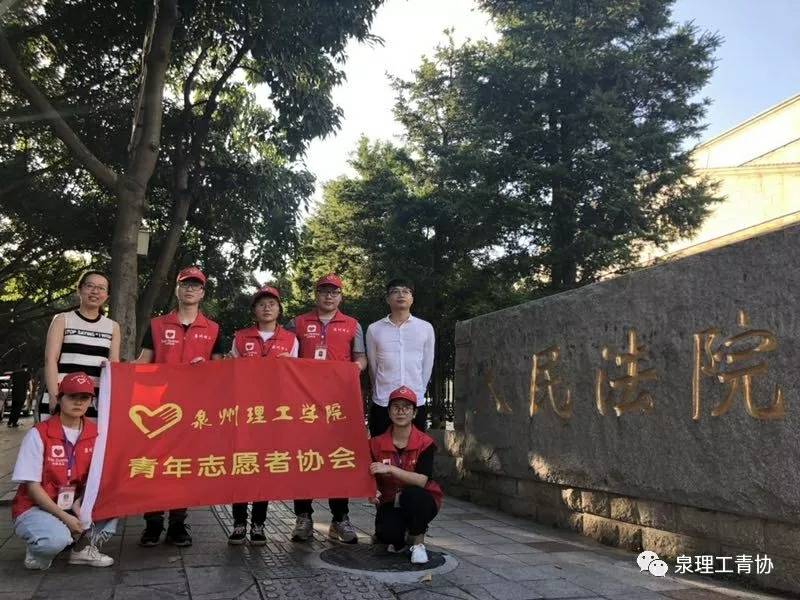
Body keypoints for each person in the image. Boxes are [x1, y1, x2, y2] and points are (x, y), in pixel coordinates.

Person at [136, 266, 224, 547]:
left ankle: (177, 524)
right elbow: (143, 362)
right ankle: (152, 524)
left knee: (183, 467)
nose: (190, 289)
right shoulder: (157, 325)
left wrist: (206, 368)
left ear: (203, 293)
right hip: (158, 409)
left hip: (194, 411)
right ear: (177, 289)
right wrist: (114, 371)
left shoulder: (213, 329)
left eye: (195, 285)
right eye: (185, 284)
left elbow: (221, 370)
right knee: (155, 465)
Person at [286, 273, 367, 544]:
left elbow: (361, 358)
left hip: (338, 404)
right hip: (303, 404)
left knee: (338, 458)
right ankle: (303, 517)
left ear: (341, 296)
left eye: (334, 292)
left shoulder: (353, 325)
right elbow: (285, 357)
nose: (329, 296)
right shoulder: (297, 323)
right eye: (324, 291)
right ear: (316, 295)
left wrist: (354, 369)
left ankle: (340, 518)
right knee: (304, 459)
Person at [11, 372, 117, 570]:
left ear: (91, 401)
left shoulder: (96, 434)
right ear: (59, 398)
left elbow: (99, 479)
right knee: (54, 541)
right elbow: (32, 488)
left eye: (84, 397)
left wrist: (80, 501)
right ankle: (37, 548)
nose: (78, 402)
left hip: (73, 504)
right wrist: (65, 517)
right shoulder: (39, 433)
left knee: (114, 498)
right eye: (72, 396)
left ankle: (81, 550)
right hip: (35, 506)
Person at [228, 285, 298, 545]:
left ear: (279, 309)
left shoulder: (291, 340)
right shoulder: (240, 337)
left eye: (272, 304)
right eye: (261, 304)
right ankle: (238, 523)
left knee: (264, 468)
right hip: (244, 413)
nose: (267, 308)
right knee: (241, 465)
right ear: (254, 310)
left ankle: (258, 524)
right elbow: (229, 372)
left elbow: (297, 376)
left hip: (273, 415)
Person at [369, 386, 443, 565]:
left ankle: (418, 543)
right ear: (389, 412)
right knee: (388, 535)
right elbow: (368, 474)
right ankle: (403, 534)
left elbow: (422, 480)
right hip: (390, 500)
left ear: (414, 413)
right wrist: (371, 491)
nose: (401, 411)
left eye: (406, 407)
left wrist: (390, 469)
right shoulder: (375, 444)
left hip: (421, 499)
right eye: (396, 407)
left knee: (413, 495)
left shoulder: (425, 443)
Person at [40, 271, 121, 421]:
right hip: (63, 397)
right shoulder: (62, 319)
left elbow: (113, 365)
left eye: (101, 288)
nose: (95, 291)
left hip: (94, 401)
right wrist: (53, 396)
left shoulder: (113, 327)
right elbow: (50, 359)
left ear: (107, 295)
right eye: (90, 286)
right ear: (79, 289)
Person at [365, 278, 435, 436]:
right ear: (387, 299)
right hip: (383, 401)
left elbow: (427, 364)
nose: (401, 295)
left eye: (406, 291)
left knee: (415, 447)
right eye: (395, 291)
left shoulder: (425, 328)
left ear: (412, 298)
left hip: (415, 401)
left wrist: (420, 390)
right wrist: (379, 389)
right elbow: (373, 366)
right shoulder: (374, 329)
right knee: (380, 447)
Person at [7, 363, 31, 427]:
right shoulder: (27, 374)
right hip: (22, 394)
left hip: (14, 393)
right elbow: (29, 383)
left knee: (13, 407)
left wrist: (9, 390)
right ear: (26, 368)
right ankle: (14, 423)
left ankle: (9, 421)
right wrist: (31, 392)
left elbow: (10, 382)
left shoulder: (14, 373)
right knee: (18, 409)